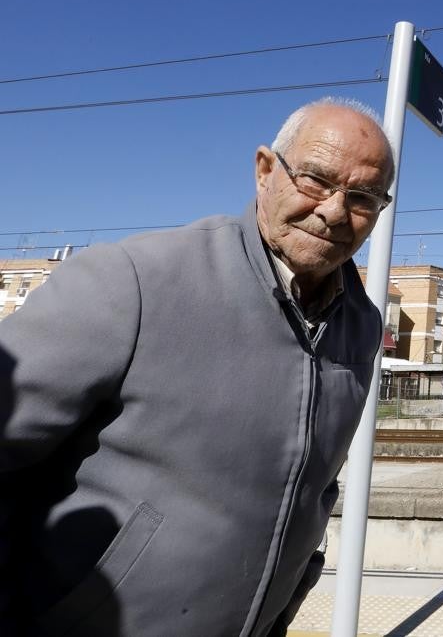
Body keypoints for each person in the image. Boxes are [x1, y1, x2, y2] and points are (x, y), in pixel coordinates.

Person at [0, 97, 394, 636]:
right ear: (264, 171)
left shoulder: (362, 326)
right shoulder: (134, 283)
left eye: (363, 196)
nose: (333, 210)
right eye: (315, 180)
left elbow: (314, 486)